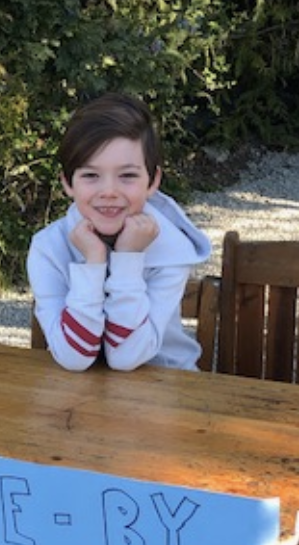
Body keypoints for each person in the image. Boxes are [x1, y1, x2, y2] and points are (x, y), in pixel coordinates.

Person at [27, 92, 211, 372]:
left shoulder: (172, 248)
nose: (109, 192)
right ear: (67, 183)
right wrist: (93, 262)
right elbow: (75, 358)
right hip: (80, 398)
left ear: (153, 181)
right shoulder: (47, 248)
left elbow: (126, 357)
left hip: (168, 388)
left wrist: (127, 258)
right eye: (90, 175)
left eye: (127, 176)